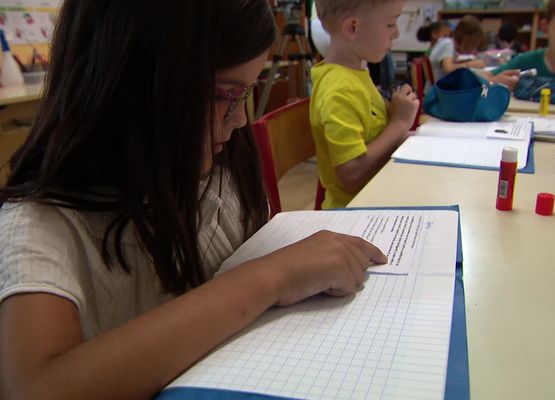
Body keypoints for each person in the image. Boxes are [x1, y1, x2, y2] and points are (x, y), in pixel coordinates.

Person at [0, 1, 388, 398]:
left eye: (247, 94)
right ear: (130, 78)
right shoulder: (40, 226)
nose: (239, 120)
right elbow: (35, 388)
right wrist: (271, 278)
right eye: (224, 95)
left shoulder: (219, 177)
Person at [310, 0, 420, 209]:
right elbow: (351, 176)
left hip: (376, 197)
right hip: (356, 213)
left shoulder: (355, 75)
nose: (396, 34)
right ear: (352, 28)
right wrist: (398, 124)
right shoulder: (339, 89)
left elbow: (373, 136)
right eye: (390, 24)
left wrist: (400, 133)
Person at [429, 15, 487, 82]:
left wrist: (466, 61)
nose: (473, 48)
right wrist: (471, 64)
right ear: (467, 39)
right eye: (473, 44)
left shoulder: (447, 42)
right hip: (440, 89)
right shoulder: (448, 44)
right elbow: (447, 69)